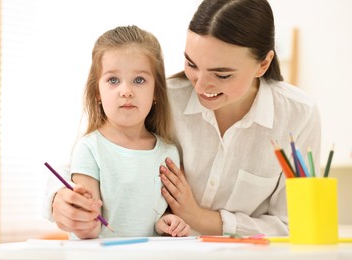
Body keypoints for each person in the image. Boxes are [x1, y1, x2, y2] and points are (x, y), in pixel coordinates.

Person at [44, 0, 321, 237]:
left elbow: (293, 224)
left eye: (221, 75)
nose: (200, 86)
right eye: (191, 65)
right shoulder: (164, 97)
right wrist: (59, 201)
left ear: (263, 63)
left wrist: (202, 219)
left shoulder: (298, 116)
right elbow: (92, 153)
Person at [50, 25, 191, 239]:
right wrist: (84, 220)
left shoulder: (169, 152)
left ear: (156, 91)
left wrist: (167, 223)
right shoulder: (89, 149)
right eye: (113, 80)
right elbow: (87, 227)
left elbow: (159, 217)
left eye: (139, 80)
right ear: (97, 91)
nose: (126, 91)